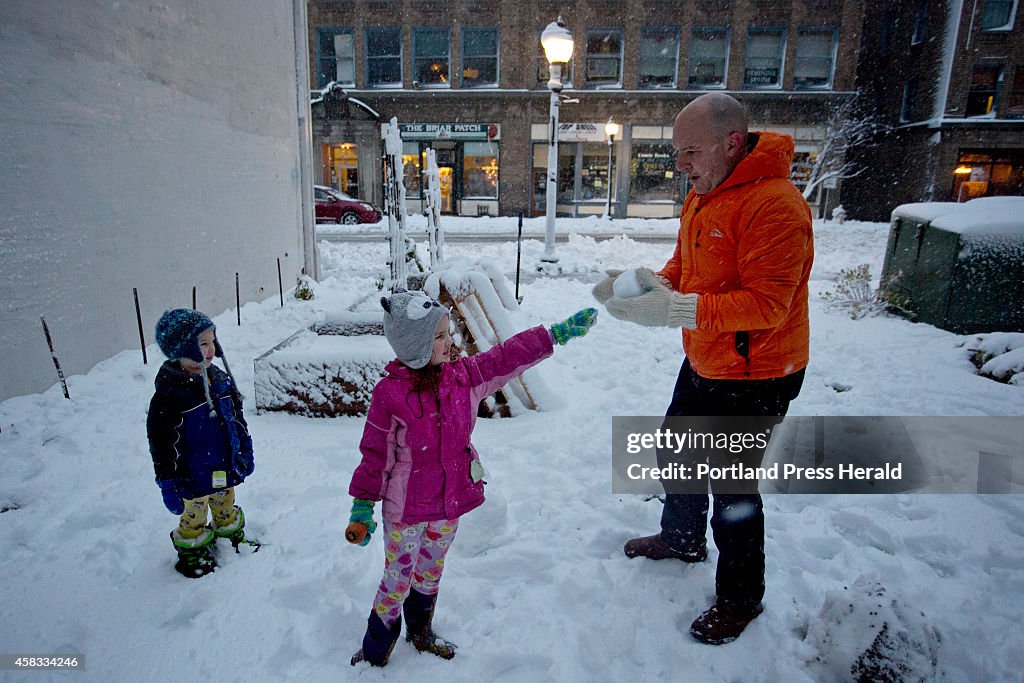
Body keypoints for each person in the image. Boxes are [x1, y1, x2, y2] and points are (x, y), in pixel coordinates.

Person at [594, 92, 813, 645]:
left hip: (759, 371)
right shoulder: (704, 193)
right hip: (708, 356)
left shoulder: (777, 205)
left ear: (731, 143)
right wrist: (653, 283)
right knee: (677, 450)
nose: (681, 164)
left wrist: (683, 309)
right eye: (678, 152)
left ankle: (741, 598)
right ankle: (683, 537)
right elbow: (687, 265)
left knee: (734, 489)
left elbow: (769, 305)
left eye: (689, 152)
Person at [346, 289, 598, 667]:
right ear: (415, 346)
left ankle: (421, 631)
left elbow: (505, 357)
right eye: (440, 337)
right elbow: (374, 456)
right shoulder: (390, 395)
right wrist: (363, 506)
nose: (451, 342)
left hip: (449, 503)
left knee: (430, 572)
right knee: (396, 580)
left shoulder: (463, 378)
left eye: (449, 333)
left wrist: (554, 335)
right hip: (406, 511)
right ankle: (375, 651)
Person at [147, 309, 257, 578]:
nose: (210, 350)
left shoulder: (218, 379)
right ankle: (192, 553)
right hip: (191, 475)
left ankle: (230, 536)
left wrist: (245, 448)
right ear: (181, 349)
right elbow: (161, 442)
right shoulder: (171, 394)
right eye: (202, 344)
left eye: (212, 341)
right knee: (193, 517)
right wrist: (166, 480)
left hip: (223, 465)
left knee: (225, 503)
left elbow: (236, 418)